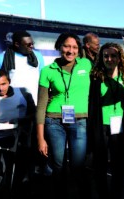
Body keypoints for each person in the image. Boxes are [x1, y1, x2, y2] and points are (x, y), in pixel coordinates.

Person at [36, 32, 92, 199]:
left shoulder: (86, 65)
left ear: (79, 49)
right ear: (59, 47)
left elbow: (107, 71)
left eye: (74, 47)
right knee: (58, 165)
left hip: (79, 121)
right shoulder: (48, 70)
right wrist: (40, 138)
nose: (70, 50)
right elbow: (41, 105)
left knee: (78, 165)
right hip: (54, 122)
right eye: (66, 46)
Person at [0, 30, 45, 192]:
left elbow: (43, 82)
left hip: (33, 112)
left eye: (33, 43)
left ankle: (27, 182)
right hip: (10, 114)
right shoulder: (2, 58)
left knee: (30, 150)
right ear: (16, 44)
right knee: (8, 155)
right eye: (28, 44)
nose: (32, 46)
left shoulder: (38, 57)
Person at [88, 42, 124, 199]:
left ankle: (116, 194)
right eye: (105, 56)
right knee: (100, 164)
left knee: (118, 164)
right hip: (101, 125)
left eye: (113, 56)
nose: (109, 59)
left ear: (120, 58)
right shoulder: (95, 78)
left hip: (120, 126)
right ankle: (103, 194)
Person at [0, 69, 35, 194]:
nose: (0, 88)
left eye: (3, 84)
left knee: (19, 172)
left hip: (19, 138)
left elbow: (34, 114)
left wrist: (19, 120)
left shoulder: (23, 93)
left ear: (9, 82)